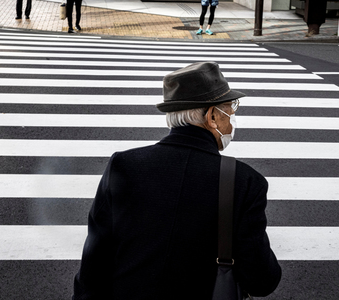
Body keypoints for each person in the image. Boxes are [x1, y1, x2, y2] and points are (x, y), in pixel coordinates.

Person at [72, 61, 282, 299]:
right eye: (230, 109)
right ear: (212, 116)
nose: (232, 120)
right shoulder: (243, 181)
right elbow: (262, 280)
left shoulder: (124, 165)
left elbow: (95, 260)